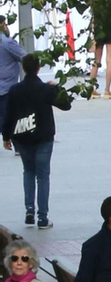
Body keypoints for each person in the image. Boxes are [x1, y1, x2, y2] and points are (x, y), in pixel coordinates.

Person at [1, 54, 70, 229]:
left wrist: (6, 136)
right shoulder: (45, 90)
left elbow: (8, 115)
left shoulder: (15, 90)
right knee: (43, 175)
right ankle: (43, 217)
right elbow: (66, 105)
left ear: (23, 68)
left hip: (22, 137)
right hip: (43, 137)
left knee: (29, 172)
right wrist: (57, 88)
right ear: (39, 68)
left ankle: (29, 210)